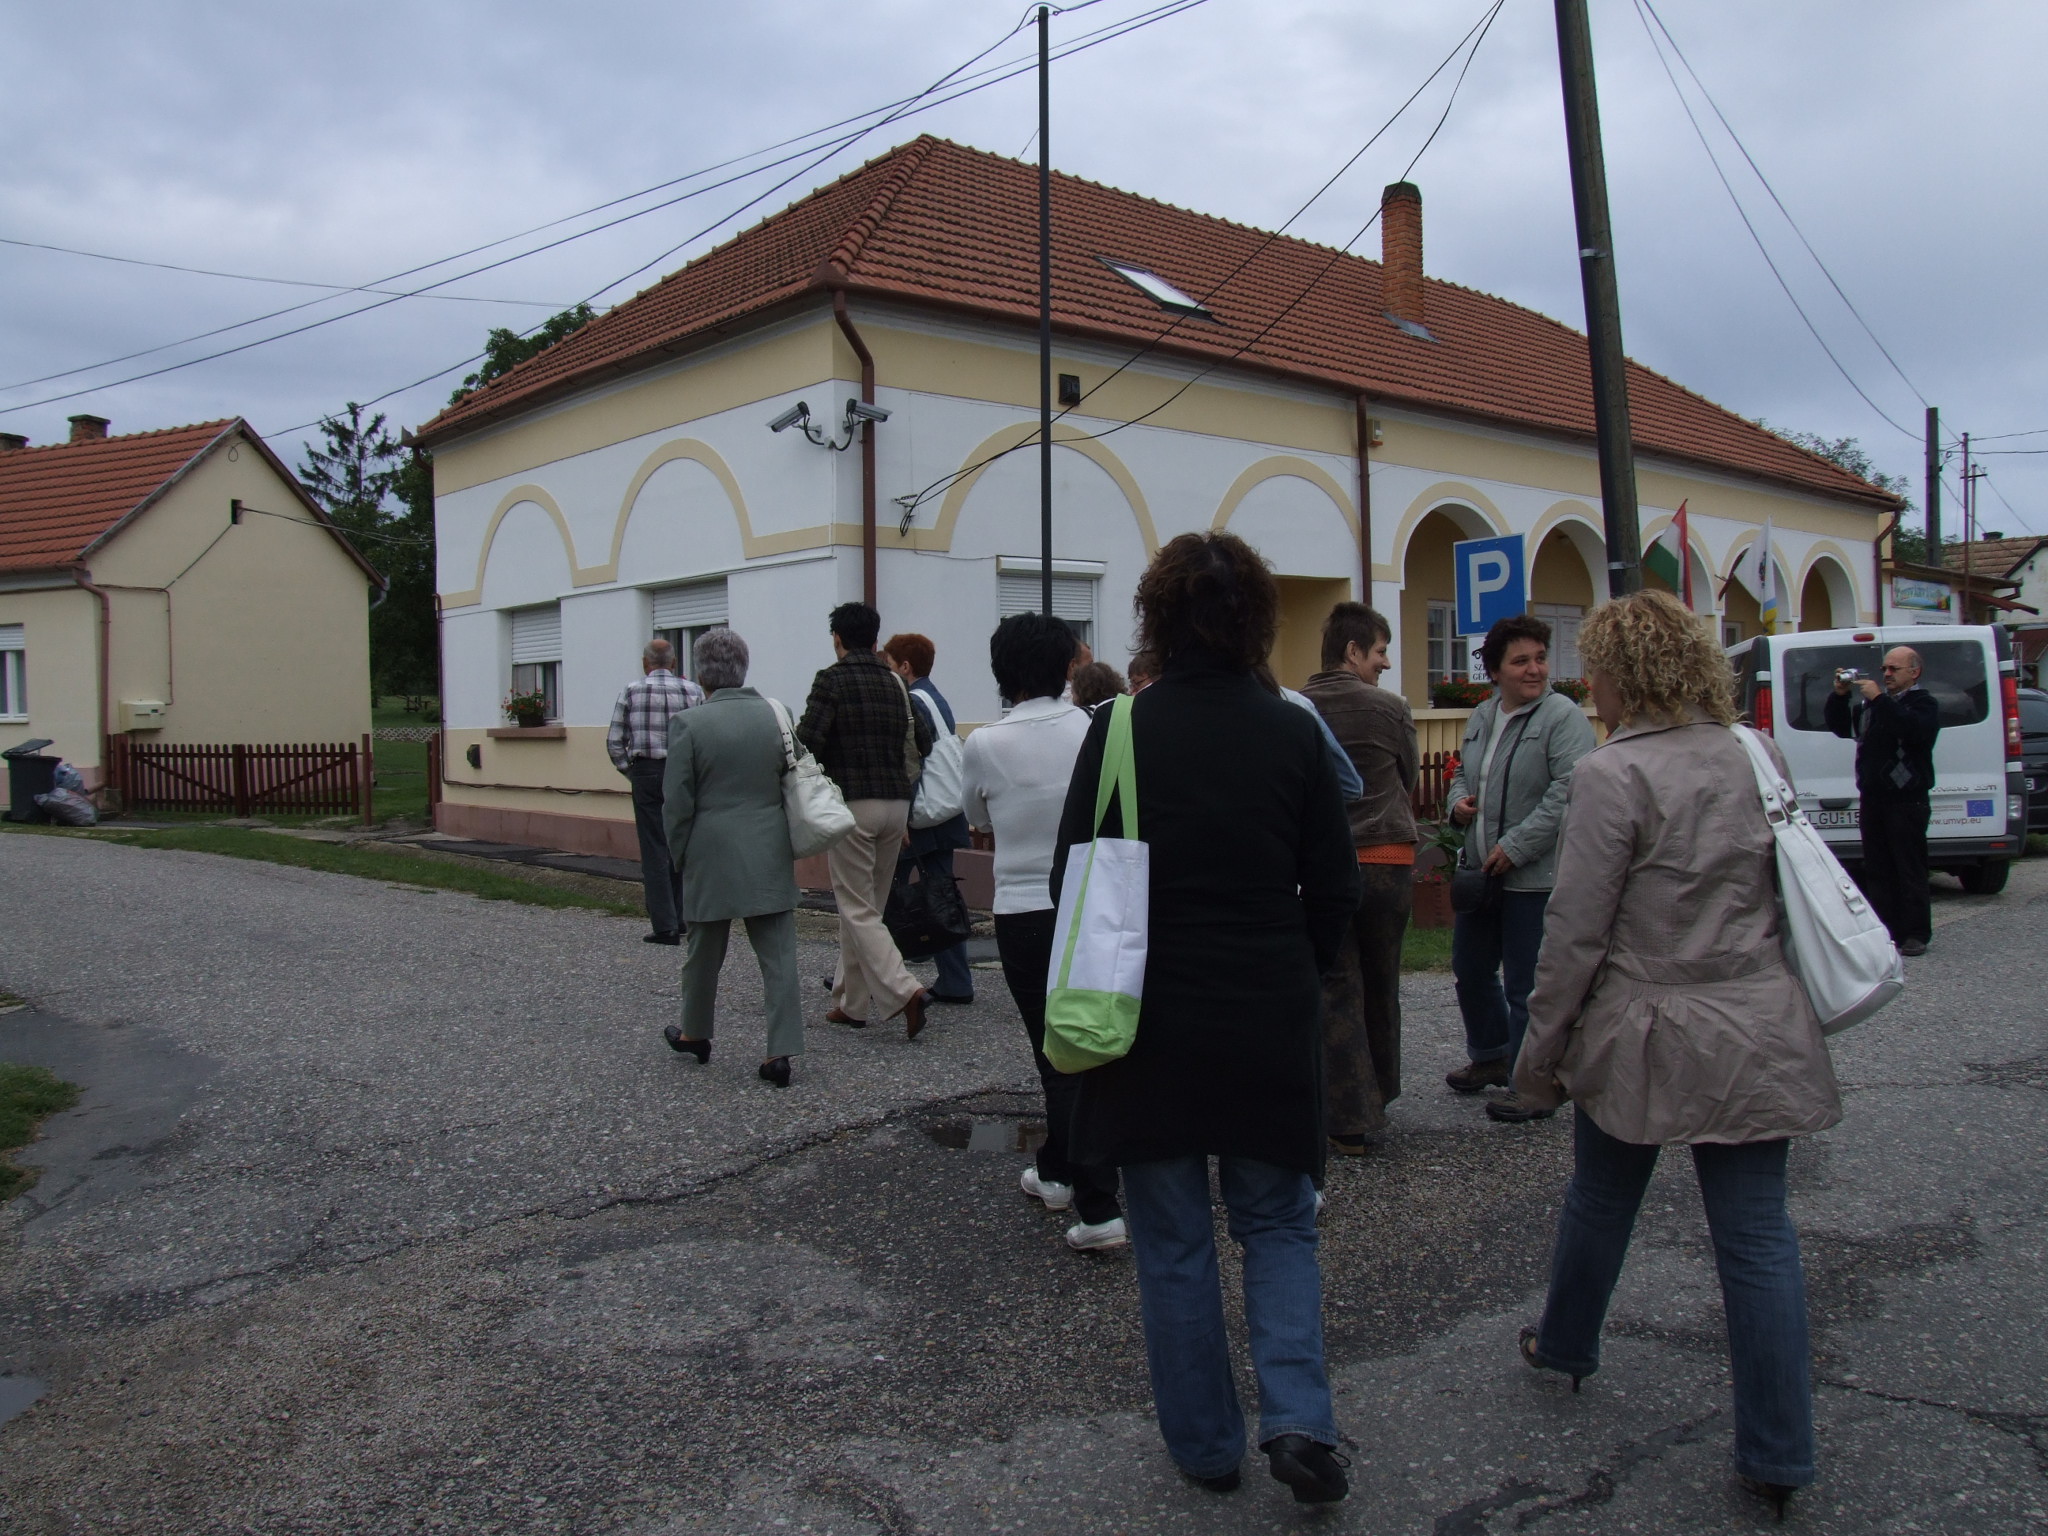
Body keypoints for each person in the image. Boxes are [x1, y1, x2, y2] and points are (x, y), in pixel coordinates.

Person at [1512, 589, 1839, 1520]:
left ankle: (1566, 1344)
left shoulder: (1614, 774)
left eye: (1595, 669)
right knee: (1757, 1237)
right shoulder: (1753, 751)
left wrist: (1539, 1054)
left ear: (1626, 672)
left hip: (1644, 1025)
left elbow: (1576, 933)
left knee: (1601, 1197)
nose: (1588, 686)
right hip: (1756, 1015)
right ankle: (1778, 1450)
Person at [1055, 531, 1360, 1503]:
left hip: (1145, 1017)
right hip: (1265, 1005)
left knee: (1174, 1241)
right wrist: (1299, 966)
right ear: (1258, 620)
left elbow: (1074, 873)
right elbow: (1335, 886)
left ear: (1155, 617)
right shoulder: (1294, 732)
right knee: (1278, 1224)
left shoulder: (1118, 730)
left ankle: (1204, 1447)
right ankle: (1300, 1419)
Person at [962, 613, 1124, 1251]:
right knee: (1095, 1044)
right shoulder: (1094, 726)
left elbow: (975, 816)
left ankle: (1097, 1205)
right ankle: (1058, 1170)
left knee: (1055, 1055)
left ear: (1003, 672)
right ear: (1067, 668)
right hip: (1091, 899)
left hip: (1024, 908)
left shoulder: (985, 743)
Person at [1440, 614, 1595, 1122]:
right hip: (1481, 872)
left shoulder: (1562, 717)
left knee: (1525, 987)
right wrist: (1458, 803)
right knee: (1470, 969)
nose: (1535, 670)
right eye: (1521, 661)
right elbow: (1463, 774)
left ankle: (1531, 1086)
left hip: (1534, 877)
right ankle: (1490, 1054)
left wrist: (1518, 846)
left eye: (1540, 659)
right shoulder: (1484, 715)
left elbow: (1568, 791)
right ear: (1495, 671)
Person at [657, 629, 805, 1087]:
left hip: (710, 849)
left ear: (700, 673)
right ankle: (780, 1051)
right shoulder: (777, 715)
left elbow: (677, 802)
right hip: (768, 845)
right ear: (744, 666)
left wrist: (678, 853)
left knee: (703, 951)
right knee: (778, 955)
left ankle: (696, 1031)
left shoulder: (689, 724)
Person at [1302, 603, 1417, 1154]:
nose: (1386, 663)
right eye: (1380, 651)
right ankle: (1382, 1092)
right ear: (1352, 652)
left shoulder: (1296, 707)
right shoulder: (1390, 708)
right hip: (1386, 860)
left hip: (1324, 864)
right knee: (1381, 980)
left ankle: (1348, 1115)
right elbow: (1408, 776)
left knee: (1335, 984)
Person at [798, 601, 936, 1039]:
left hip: (853, 804)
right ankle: (851, 1002)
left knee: (856, 907)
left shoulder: (831, 679)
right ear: (876, 639)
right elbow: (926, 740)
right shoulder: (895, 681)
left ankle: (905, 990)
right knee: (867, 907)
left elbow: (807, 742)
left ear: (837, 638)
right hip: (897, 805)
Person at [1825, 646, 1940, 956]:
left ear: (1914, 672)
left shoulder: (1923, 703)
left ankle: (1915, 932)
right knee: (1877, 869)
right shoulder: (1871, 706)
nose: (1887, 674)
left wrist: (1879, 699)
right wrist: (1839, 696)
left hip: (1907, 799)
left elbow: (1910, 730)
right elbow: (1841, 727)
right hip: (1873, 798)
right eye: (1884, 669)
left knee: (1909, 867)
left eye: (1894, 669)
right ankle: (1886, 931)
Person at [882, 632, 974, 1005]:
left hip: (918, 814)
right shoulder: (937, 699)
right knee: (941, 897)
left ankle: (874, 979)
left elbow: (910, 760)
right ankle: (956, 980)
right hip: (944, 813)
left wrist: (901, 815)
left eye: (890, 665)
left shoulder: (910, 701)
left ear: (905, 666)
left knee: (883, 895)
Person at [607, 637, 705, 944]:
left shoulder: (631, 690)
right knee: (682, 844)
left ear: (645, 663)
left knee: (654, 847)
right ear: (674, 663)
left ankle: (665, 926)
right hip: (684, 772)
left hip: (647, 771)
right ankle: (682, 916)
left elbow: (614, 741)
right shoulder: (693, 691)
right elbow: (704, 737)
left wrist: (632, 772)